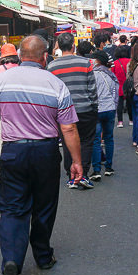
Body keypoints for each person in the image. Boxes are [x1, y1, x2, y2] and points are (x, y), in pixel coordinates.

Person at [0, 35, 83, 275]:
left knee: (13, 209)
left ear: (19, 55)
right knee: (44, 206)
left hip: (14, 152)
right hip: (46, 152)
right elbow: (68, 128)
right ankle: (43, 257)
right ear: (44, 56)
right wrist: (77, 162)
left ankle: (12, 260)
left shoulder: (0, 81)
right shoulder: (55, 84)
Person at [48, 32, 99, 189]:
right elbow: (92, 88)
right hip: (85, 109)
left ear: (59, 46)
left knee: (68, 142)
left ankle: (71, 177)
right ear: (73, 46)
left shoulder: (52, 66)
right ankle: (82, 175)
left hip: (63, 112)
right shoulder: (86, 63)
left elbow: (52, 92)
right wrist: (94, 106)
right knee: (86, 142)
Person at [91, 50, 118, 180]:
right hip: (110, 109)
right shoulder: (111, 76)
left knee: (96, 140)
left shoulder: (92, 74)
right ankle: (109, 167)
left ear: (97, 61)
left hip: (97, 110)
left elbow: (91, 93)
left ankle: (96, 170)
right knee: (109, 138)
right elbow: (115, 94)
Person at [112, 45, 132, 128]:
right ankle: (131, 120)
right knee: (130, 104)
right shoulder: (130, 61)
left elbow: (112, 76)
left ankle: (120, 122)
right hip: (129, 86)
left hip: (119, 86)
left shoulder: (115, 63)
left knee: (119, 105)